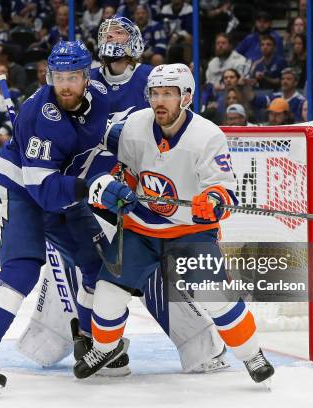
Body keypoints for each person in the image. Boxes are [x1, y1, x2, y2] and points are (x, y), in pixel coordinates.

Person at [73, 63, 274, 385]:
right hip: (141, 229)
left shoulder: (207, 135)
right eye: (154, 93)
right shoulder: (135, 126)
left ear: (187, 97)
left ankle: (252, 354)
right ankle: (103, 348)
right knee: (108, 294)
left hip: (191, 231)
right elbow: (119, 168)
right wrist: (113, 186)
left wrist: (212, 201)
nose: (159, 101)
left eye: (168, 93)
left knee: (214, 297)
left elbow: (226, 193)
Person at [0, 41, 128, 399]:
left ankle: (89, 341)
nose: (66, 85)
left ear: (86, 77)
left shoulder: (100, 103)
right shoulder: (39, 116)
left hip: (60, 187)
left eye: (74, 77)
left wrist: (108, 180)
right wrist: (92, 188)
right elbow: (43, 190)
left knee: (97, 263)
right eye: (59, 77)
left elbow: (94, 156)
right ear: (50, 76)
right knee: (22, 268)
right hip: (20, 189)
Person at [89, 16, 230, 374]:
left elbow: (170, 130)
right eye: (108, 33)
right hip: (95, 187)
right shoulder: (83, 79)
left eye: (121, 33)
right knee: (88, 270)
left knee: (155, 278)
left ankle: (202, 346)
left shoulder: (148, 80)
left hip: (144, 197)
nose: (113, 39)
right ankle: (96, 344)